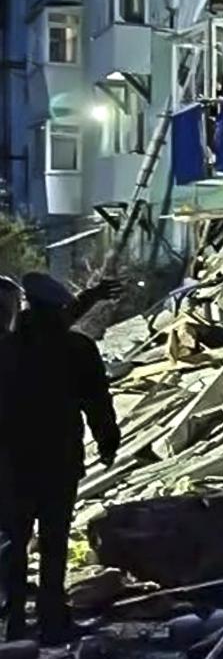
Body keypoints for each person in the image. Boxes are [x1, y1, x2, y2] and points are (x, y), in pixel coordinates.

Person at [0, 273, 120, 645]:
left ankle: (13, 622)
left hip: (11, 467)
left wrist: (90, 297)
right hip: (59, 463)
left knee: (12, 543)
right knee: (54, 543)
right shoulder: (77, 349)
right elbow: (98, 402)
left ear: (27, 306)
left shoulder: (7, 348)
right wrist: (108, 442)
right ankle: (52, 621)